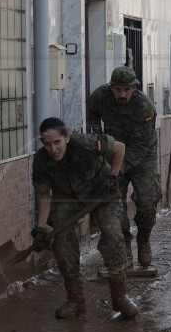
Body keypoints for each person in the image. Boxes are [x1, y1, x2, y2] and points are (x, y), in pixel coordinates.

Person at [32, 117, 139, 319]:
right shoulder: (41, 161)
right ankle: (75, 301)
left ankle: (120, 297)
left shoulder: (86, 143)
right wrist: (39, 229)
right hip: (68, 197)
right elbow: (46, 197)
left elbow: (120, 148)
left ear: (67, 137)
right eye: (47, 144)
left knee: (113, 236)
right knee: (62, 242)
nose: (53, 149)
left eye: (57, 142)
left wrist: (112, 177)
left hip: (102, 190)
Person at [87, 66, 160, 270]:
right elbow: (91, 113)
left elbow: (141, 146)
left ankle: (143, 239)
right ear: (111, 88)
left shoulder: (144, 106)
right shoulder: (100, 97)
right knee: (113, 203)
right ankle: (125, 244)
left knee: (147, 200)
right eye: (118, 89)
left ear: (134, 88)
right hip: (113, 150)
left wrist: (118, 169)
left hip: (142, 155)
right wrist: (97, 136)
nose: (122, 94)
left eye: (126, 90)